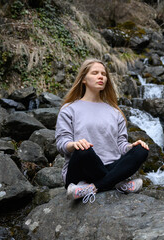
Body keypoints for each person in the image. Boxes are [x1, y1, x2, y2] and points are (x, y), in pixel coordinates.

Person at [55, 58, 149, 203]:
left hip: (111, 166)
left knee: (141, 150)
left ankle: (93, 188)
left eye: (103, 74)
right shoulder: (69, 109)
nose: (101, 77)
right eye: (95, 73)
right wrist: (74, 145)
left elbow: (121, 145)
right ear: (84, 79)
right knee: (83, 150)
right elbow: (62, 143)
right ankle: (118, 184)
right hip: (80, 171)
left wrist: (132, 146)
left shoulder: (115, 112)